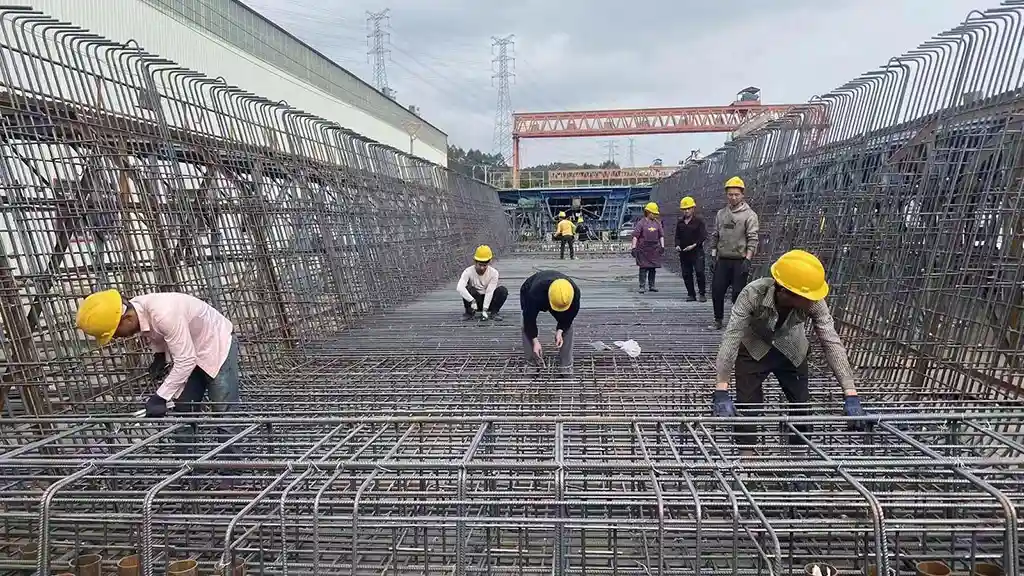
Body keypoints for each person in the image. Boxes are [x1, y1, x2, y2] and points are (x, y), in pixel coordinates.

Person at [709, 250, 868, 455]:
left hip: (792, 349)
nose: (812, 300)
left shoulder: (814, 300)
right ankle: (747, 457)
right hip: (753, 348)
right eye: (806, 297)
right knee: (747, 406)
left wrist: (850, 392)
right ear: (784, 292)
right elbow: (731, 337)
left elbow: (831, 341)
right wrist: (721, 387)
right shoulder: (752, 294)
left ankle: (799, 455)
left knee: (801, 406)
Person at [75, 289, 239, 418]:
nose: (116, 337)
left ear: (128, 319)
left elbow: (186, 360)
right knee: (183, 411)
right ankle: (185, 452)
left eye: (115, 332)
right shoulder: (137, 309)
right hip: (188, 347)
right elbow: (155, 331)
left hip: (215, 344)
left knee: (223, 413)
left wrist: (160, 397)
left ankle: (230, 452)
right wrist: (159, 355)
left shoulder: (163, 314)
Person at [710, 176, 760, 329]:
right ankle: (718, 320)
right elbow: (715, 235)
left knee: (738, 293)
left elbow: (753, 238)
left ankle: (737, 322)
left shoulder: (749, 215)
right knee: (717, 290)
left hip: (740, 260)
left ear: (742, 195)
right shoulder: (721, 214)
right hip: (723, 259)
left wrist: (748, 259)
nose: (733, 197)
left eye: (736, 194)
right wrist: (713, 255)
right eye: (730, 194)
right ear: (726, 195)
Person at [520, 270, 580, 376]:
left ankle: (565, 366)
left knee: (568, 327)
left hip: (552, 296)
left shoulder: (575, 294)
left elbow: (569, 317)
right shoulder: (534, 294)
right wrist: (535, 341)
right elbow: (529, 319)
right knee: (525, 325)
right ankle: (532, 364)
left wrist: (560, 330)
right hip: (530, 289)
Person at [456, 244, 508, 321]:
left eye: (485, 265)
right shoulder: (468, 271)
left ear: (489, 262)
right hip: (474, 302)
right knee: (468, 288)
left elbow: (490, 292)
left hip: (489, 301)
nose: (482, 268)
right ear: (475, 262)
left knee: (502, 290)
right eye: (480, 265)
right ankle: (469, 313)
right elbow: (459, 287)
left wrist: (485, 310)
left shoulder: (494, 273)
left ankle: (494, 313)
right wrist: (472, 300)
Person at [674, 196, 708, 302]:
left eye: (688, 208)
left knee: (699, 272)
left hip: (697, 252)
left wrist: (693, 245)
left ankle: (702, 294)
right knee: (686, 274)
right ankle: (691, 294)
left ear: (693, 208)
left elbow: (703, 236)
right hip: (684, 253)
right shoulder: (680, 223)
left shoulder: (699, 221)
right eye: (684, 209)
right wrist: (677, 245)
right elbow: (677, 236)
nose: (686, 211)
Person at [631, 202, 665, 293]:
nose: (654, 215)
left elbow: (661, 235)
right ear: (648, 212)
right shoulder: (641, 223)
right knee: (643, 268)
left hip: (654, 249)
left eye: (655, 213)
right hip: (643, 249)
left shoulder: (657, 223)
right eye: (653, 213)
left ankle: (652, 286)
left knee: (652, 268)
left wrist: (662, 246)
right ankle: (642, 286)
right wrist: (633, 247)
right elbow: (635, 236)